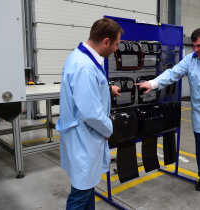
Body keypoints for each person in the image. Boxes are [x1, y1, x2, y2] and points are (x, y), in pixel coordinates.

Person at [137, 28, 200, 191]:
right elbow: (172, 73)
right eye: (194, 46)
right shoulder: (190, 60)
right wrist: (152, 84)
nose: (196, 49)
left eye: (199, 45)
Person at [56, 18, 122, 210]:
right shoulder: (84, 67)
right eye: (116, 44)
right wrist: (109, 128)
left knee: (85, 189)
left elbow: (87, 91)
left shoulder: (84, 58)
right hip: (83, 138)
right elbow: (91, 113)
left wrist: (107, 89)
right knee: (81, 193)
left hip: (82, 137)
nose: (117, 49)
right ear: (106, 41)